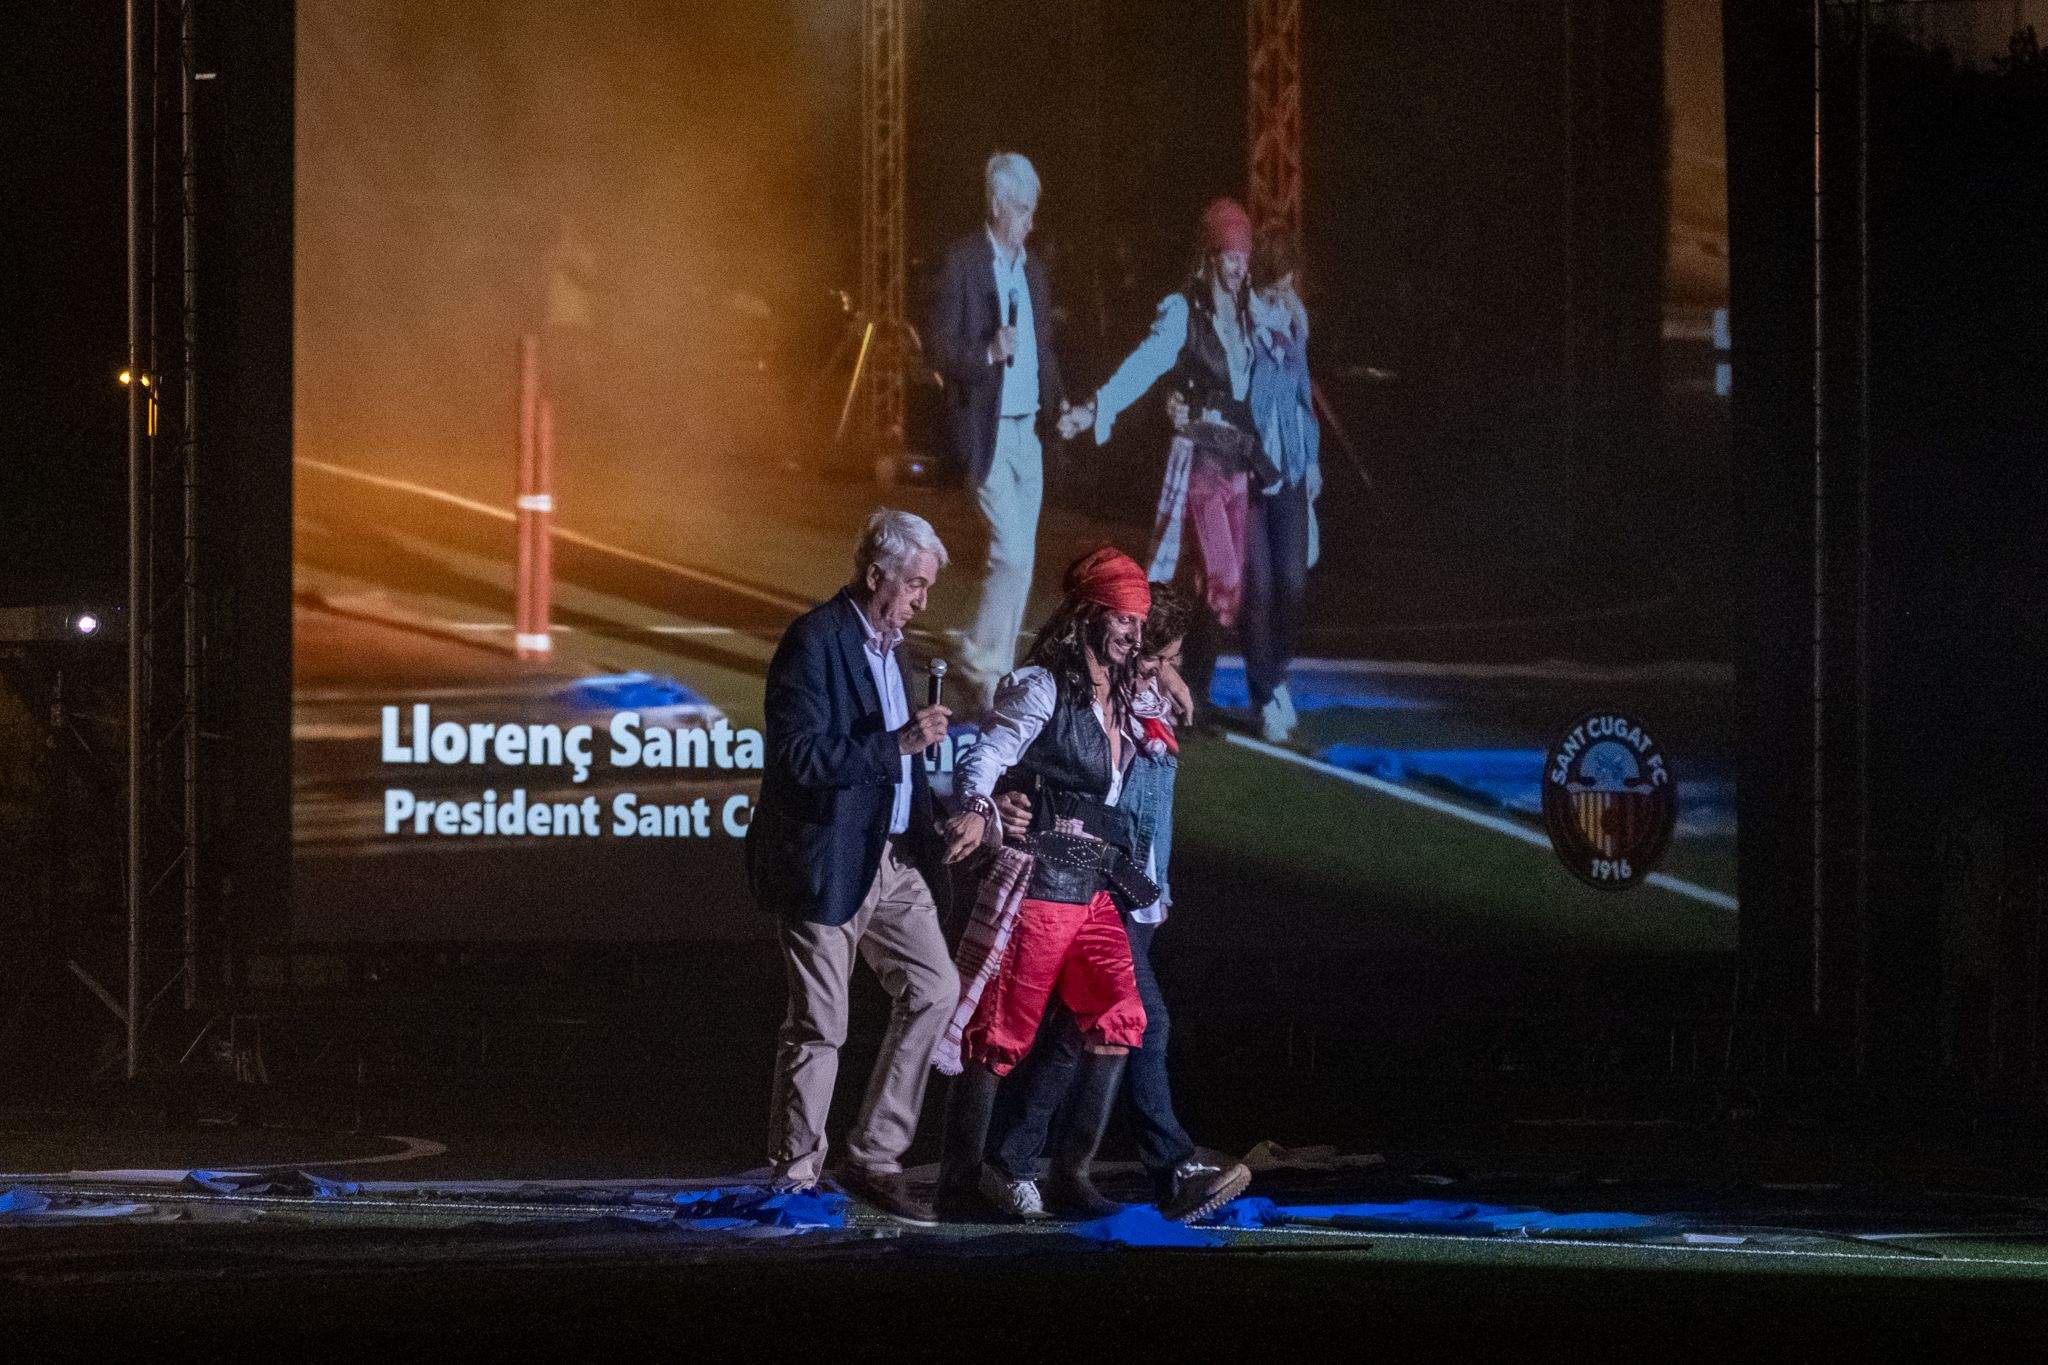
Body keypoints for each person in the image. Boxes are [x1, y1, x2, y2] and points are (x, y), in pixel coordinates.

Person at [982, 585, 1251, 1222]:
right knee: (1141, 1021)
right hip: (1097, 888)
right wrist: (1004, 798)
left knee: (1079, 1035)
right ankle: (1172, 1164)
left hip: (1136, 893)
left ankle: (1021, 1160)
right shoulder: (1100, 705)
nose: (1171, 672)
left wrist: (1170, 685)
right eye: (1164, 658)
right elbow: (1039, 759)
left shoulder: (1140, 701)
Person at [745, 510, 961, 1226]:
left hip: (892, 861)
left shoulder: (894, 649)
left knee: (935, 987)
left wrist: (951, 819)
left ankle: (874, 1151)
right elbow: (799, 758)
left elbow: (903, 770)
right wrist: (897, 741)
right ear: (877, 576)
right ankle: (796, 1171)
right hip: (827, 858)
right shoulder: (815, 641)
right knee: (821, 1024)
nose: (923, 601)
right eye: (917, 585)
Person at [933, 548, 1155, 1220]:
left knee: (1119, 1018)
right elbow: (988, 752)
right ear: (1089, 615)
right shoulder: (1042, 686)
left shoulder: (1124, 691)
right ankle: (962, 1179)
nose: (1132, 635)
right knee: (1001, 1033)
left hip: (1096, 888)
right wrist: (979, 802)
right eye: (1122, 619)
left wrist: (1165, 684)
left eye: (1138, 624)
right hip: (1040, 883)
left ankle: (1068, 1171)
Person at [1059, 198, 1276, 723]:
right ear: (1210, 256)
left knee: (1210, 587)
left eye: (1243, 257)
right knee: (1215, 578)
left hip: (1238, 463)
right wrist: (1097, 406)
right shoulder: (1185, 310)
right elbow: (1144, 364)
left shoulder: (1251, 315)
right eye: (1228, 256)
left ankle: (1181, 688)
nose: (1237, 267)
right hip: (1200, 459)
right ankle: (1141, 673)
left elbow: (1276, 375)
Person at [927, 151, 1075, 711]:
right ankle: (983, 666)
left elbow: (1045, 352)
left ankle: (991, 660)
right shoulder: (963, 261)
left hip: (1029, 428)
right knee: (1010, 550)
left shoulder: (1032, 271)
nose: (1030, 222)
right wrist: (988, 351)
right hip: (985, 427)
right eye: (1020, 208)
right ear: (994, 205)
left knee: (1020, 554)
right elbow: (940, 349)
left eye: (1034, 209)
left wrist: (1060, 406)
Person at [1241, 229, 1323, 744]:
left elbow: (1302, 391)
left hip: (1291, 469)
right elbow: (1252, 391)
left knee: (1293, 584)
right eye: (1274, 291)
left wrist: (1312, 458)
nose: (1282, 298)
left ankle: (1277, 676)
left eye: (1288, 288)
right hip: (1249, 473)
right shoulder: (1244, 322)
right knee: (1260, 588)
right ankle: (1266, 692)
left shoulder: (1296, 319)